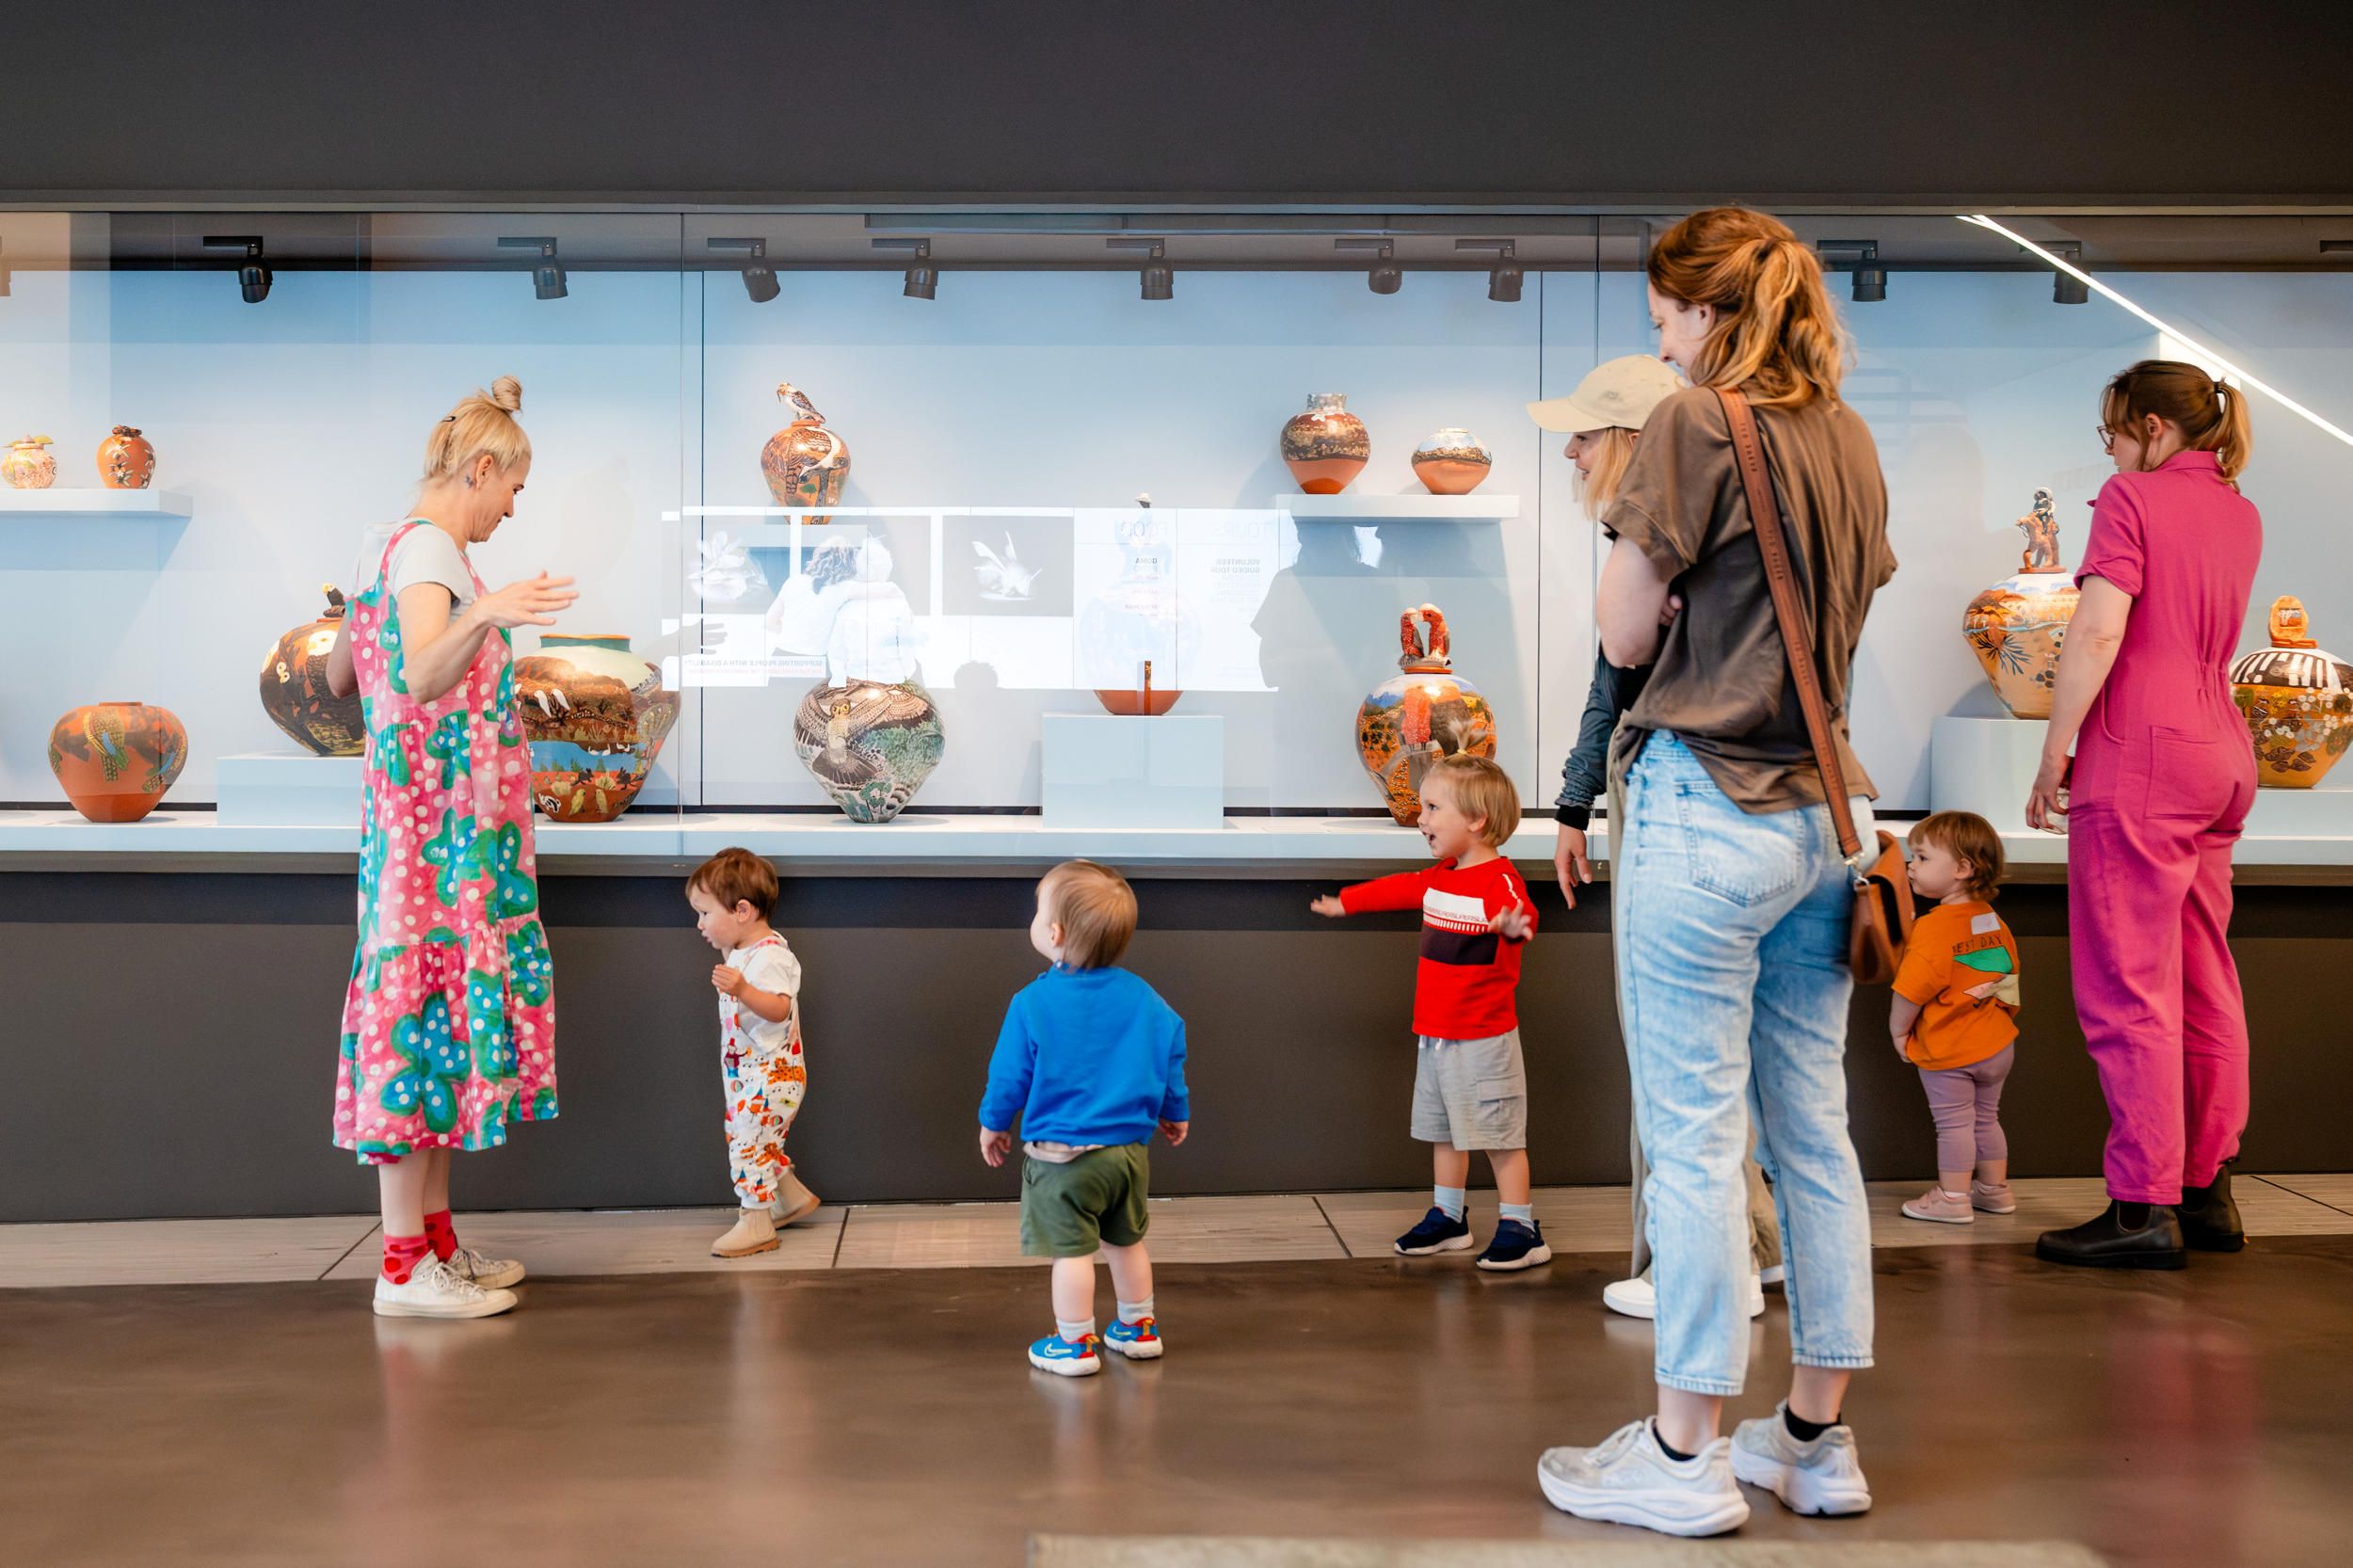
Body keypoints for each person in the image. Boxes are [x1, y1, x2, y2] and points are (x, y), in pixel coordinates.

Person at [1535, 207, 1894, 1536]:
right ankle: (1812, 1435)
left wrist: (1663, 599)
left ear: (1707, 313)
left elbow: (1624, 624)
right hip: (1824, 817)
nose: (1667, 343)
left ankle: (1683, 1453)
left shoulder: (1697, 422)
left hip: (1707, 804)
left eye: (1666, 320)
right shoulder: (1846, 435)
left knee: (1691, 1135)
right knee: (1814, 1129)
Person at [1530, 354, 1783, 1320]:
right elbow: (1614, 687)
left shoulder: (1652, 535)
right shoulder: (1722, 527)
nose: (1571, 450)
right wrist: (1571, 806)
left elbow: (1620, 677)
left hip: (1680, 791)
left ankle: (1687, 1267)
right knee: (1719, 1045)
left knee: (1670, 1041)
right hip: (1749, 791)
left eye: (1587, 435)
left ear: (1636, 444)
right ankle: (1747, 1244)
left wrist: (1581, 801)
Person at [324, 376, 578, 1320]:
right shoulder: (433, 548)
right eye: (510, 489)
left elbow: (345, 673)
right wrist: (486, 610)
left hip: (426, 825)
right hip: (433, 833)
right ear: (480, 469)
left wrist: (397, 610)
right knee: (416, 1019)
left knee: (431, 1019)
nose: (512, 509)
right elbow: (423, 674)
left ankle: (432, 1247)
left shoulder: (392, 543)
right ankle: (401, 1267)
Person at [2027, 360, 2261, 1270]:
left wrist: (2057, 750)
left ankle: (2141, 1205)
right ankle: (2208, 1191)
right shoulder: (2239, 511)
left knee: (2129, 986)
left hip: (2142, 752)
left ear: (2155, 429)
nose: (2113, 448)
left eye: (2114, 431)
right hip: (2220, 750)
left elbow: (2096, 629)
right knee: (2205, 975)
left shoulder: (2132, 497)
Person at [1310, 754, 1547, 1271]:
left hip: (1483, 1038)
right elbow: (1399, 887)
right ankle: (1449, 1216)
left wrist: (1513, 927)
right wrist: (1347, 903)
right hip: (1436, 1036)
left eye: (1433, 807)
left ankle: (1521, 1226)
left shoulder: (1499, 883)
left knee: (1499, 1134)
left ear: (1476, 820)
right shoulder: (1442, 876)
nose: (1422, 818)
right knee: (1445, 1131)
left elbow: (1523, 916)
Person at [978, 860, 1190, 1377]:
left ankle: (1074, 1343)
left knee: (1072, 1252)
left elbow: (1010, 1077)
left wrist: (993, 1123)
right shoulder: (1145, 997)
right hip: (1127, 1155)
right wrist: (1174, 1111)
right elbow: (1171, 1051)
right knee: (1126, 1240)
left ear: (1054, 933)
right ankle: (1139, 1328)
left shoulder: (1031, 1003)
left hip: (1062, 1159)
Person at [687, 847, 820, 1257]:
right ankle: (789, 1198)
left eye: (705, 914)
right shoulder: (745, 951)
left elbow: (779, 1009)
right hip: (748, 1075)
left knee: (748, 1142)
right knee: (750, 1136)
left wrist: (743, 989)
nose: (699, 924)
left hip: (771, 1077)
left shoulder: (772, 957)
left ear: (742, 911)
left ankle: (756, 1221)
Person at [1890, 812, 2020, 1224]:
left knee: (1954, 1126)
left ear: (1962, 869)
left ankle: (1952, 1198)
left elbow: (1910, 990)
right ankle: (1994, 1190)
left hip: (1952, 1050)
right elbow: (2009, 975)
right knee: (1986, 1119)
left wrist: (1899, 1031)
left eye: (1923, 858)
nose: (1911, 865)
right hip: (1998, 1043)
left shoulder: (1933, 928)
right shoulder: (1993, 921)